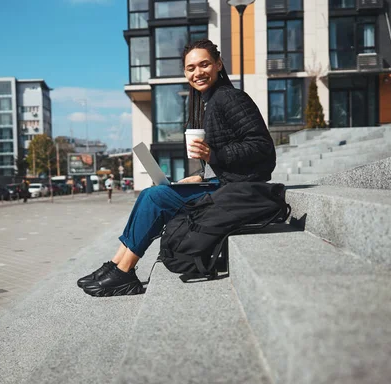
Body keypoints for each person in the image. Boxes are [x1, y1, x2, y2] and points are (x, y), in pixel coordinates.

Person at [77, 39, 276, 297]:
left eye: (204, 64)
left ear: (218, 64)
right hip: (224, 183)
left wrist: (215, 155)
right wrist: (199, 176)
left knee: (155, 197)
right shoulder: (207, 102)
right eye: (191, 68)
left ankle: (124, 271)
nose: (198, 72)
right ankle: (116, 264)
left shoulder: (231, 98)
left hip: (241, 190)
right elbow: (222, 161)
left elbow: (263, 149)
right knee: (153, 193)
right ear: (185, 73)